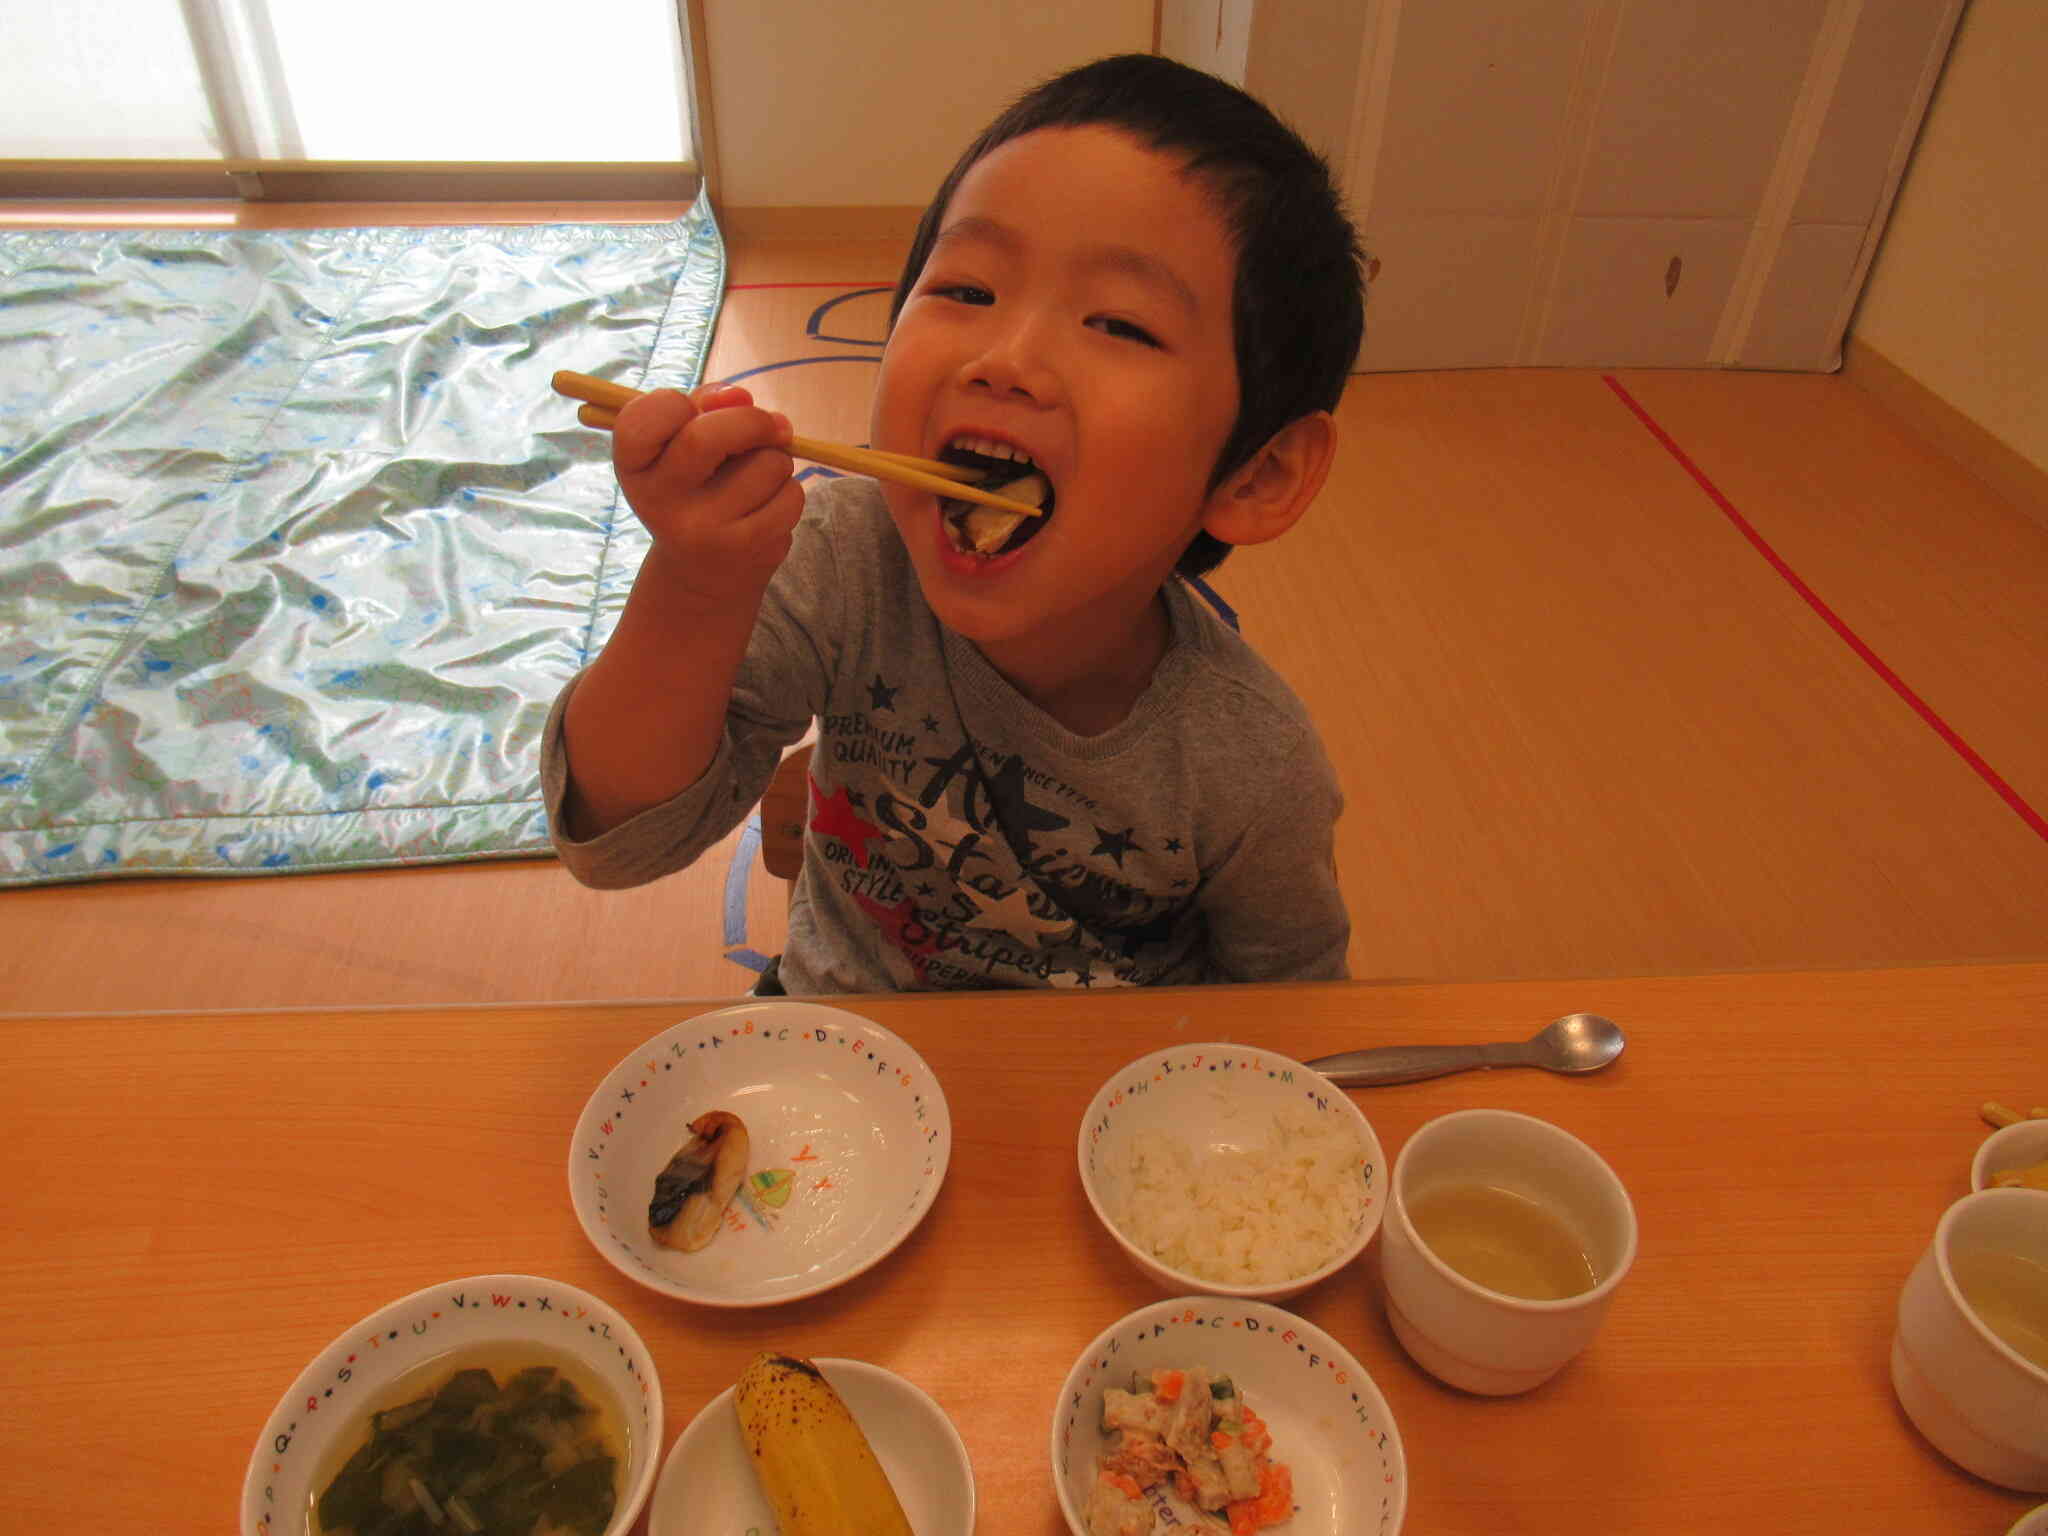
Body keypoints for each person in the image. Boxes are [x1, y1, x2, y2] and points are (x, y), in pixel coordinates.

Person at [540, 52, 1366, 992]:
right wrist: (694, 586)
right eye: (968, 291)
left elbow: (1294, 1019)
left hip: (1098, 1102)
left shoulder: (1251, 763)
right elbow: (616, 841)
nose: (1005, 359)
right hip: (836, 1067)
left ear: (1258, 474)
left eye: (1120, 325)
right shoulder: (843, 561)